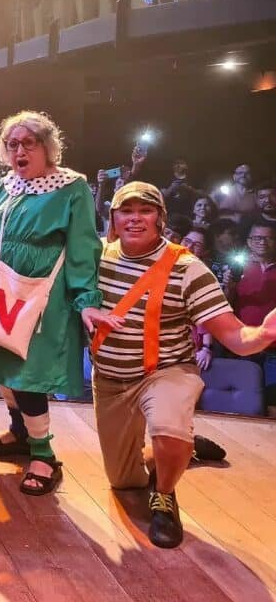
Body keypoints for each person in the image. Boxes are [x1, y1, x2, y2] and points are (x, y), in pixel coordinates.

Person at [90, 182, 276, 548]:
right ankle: (187, 448)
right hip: (110, 378)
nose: (135, 218)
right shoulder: (95, 257)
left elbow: (236, 338)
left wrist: (264, 334)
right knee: (124, 480)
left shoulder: (188, 268)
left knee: (167, 427)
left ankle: (164, 496)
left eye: (145, 210)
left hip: (166, 370)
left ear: (160, 217)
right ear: (113, 218)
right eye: (126, 211)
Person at [0, 110, 114, 496]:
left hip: (42, 300)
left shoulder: (72, 187)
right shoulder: (4, 186)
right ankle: (19, 435)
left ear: (47, 147)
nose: (19, 150)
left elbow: (83, 247)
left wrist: (86, 300)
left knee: (27, 376)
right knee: (3, 370)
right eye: (12, 144)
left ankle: (44, 455)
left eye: (27, 142)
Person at [226, 222, 276, 410]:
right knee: (244, 403)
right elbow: (225, 306)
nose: (262, 242)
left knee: (273, 401)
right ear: (248, 242)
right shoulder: (238, 268)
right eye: (257, 238)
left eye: (268, 238)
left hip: (274, 349)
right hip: (244, 346)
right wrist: (228, 288)